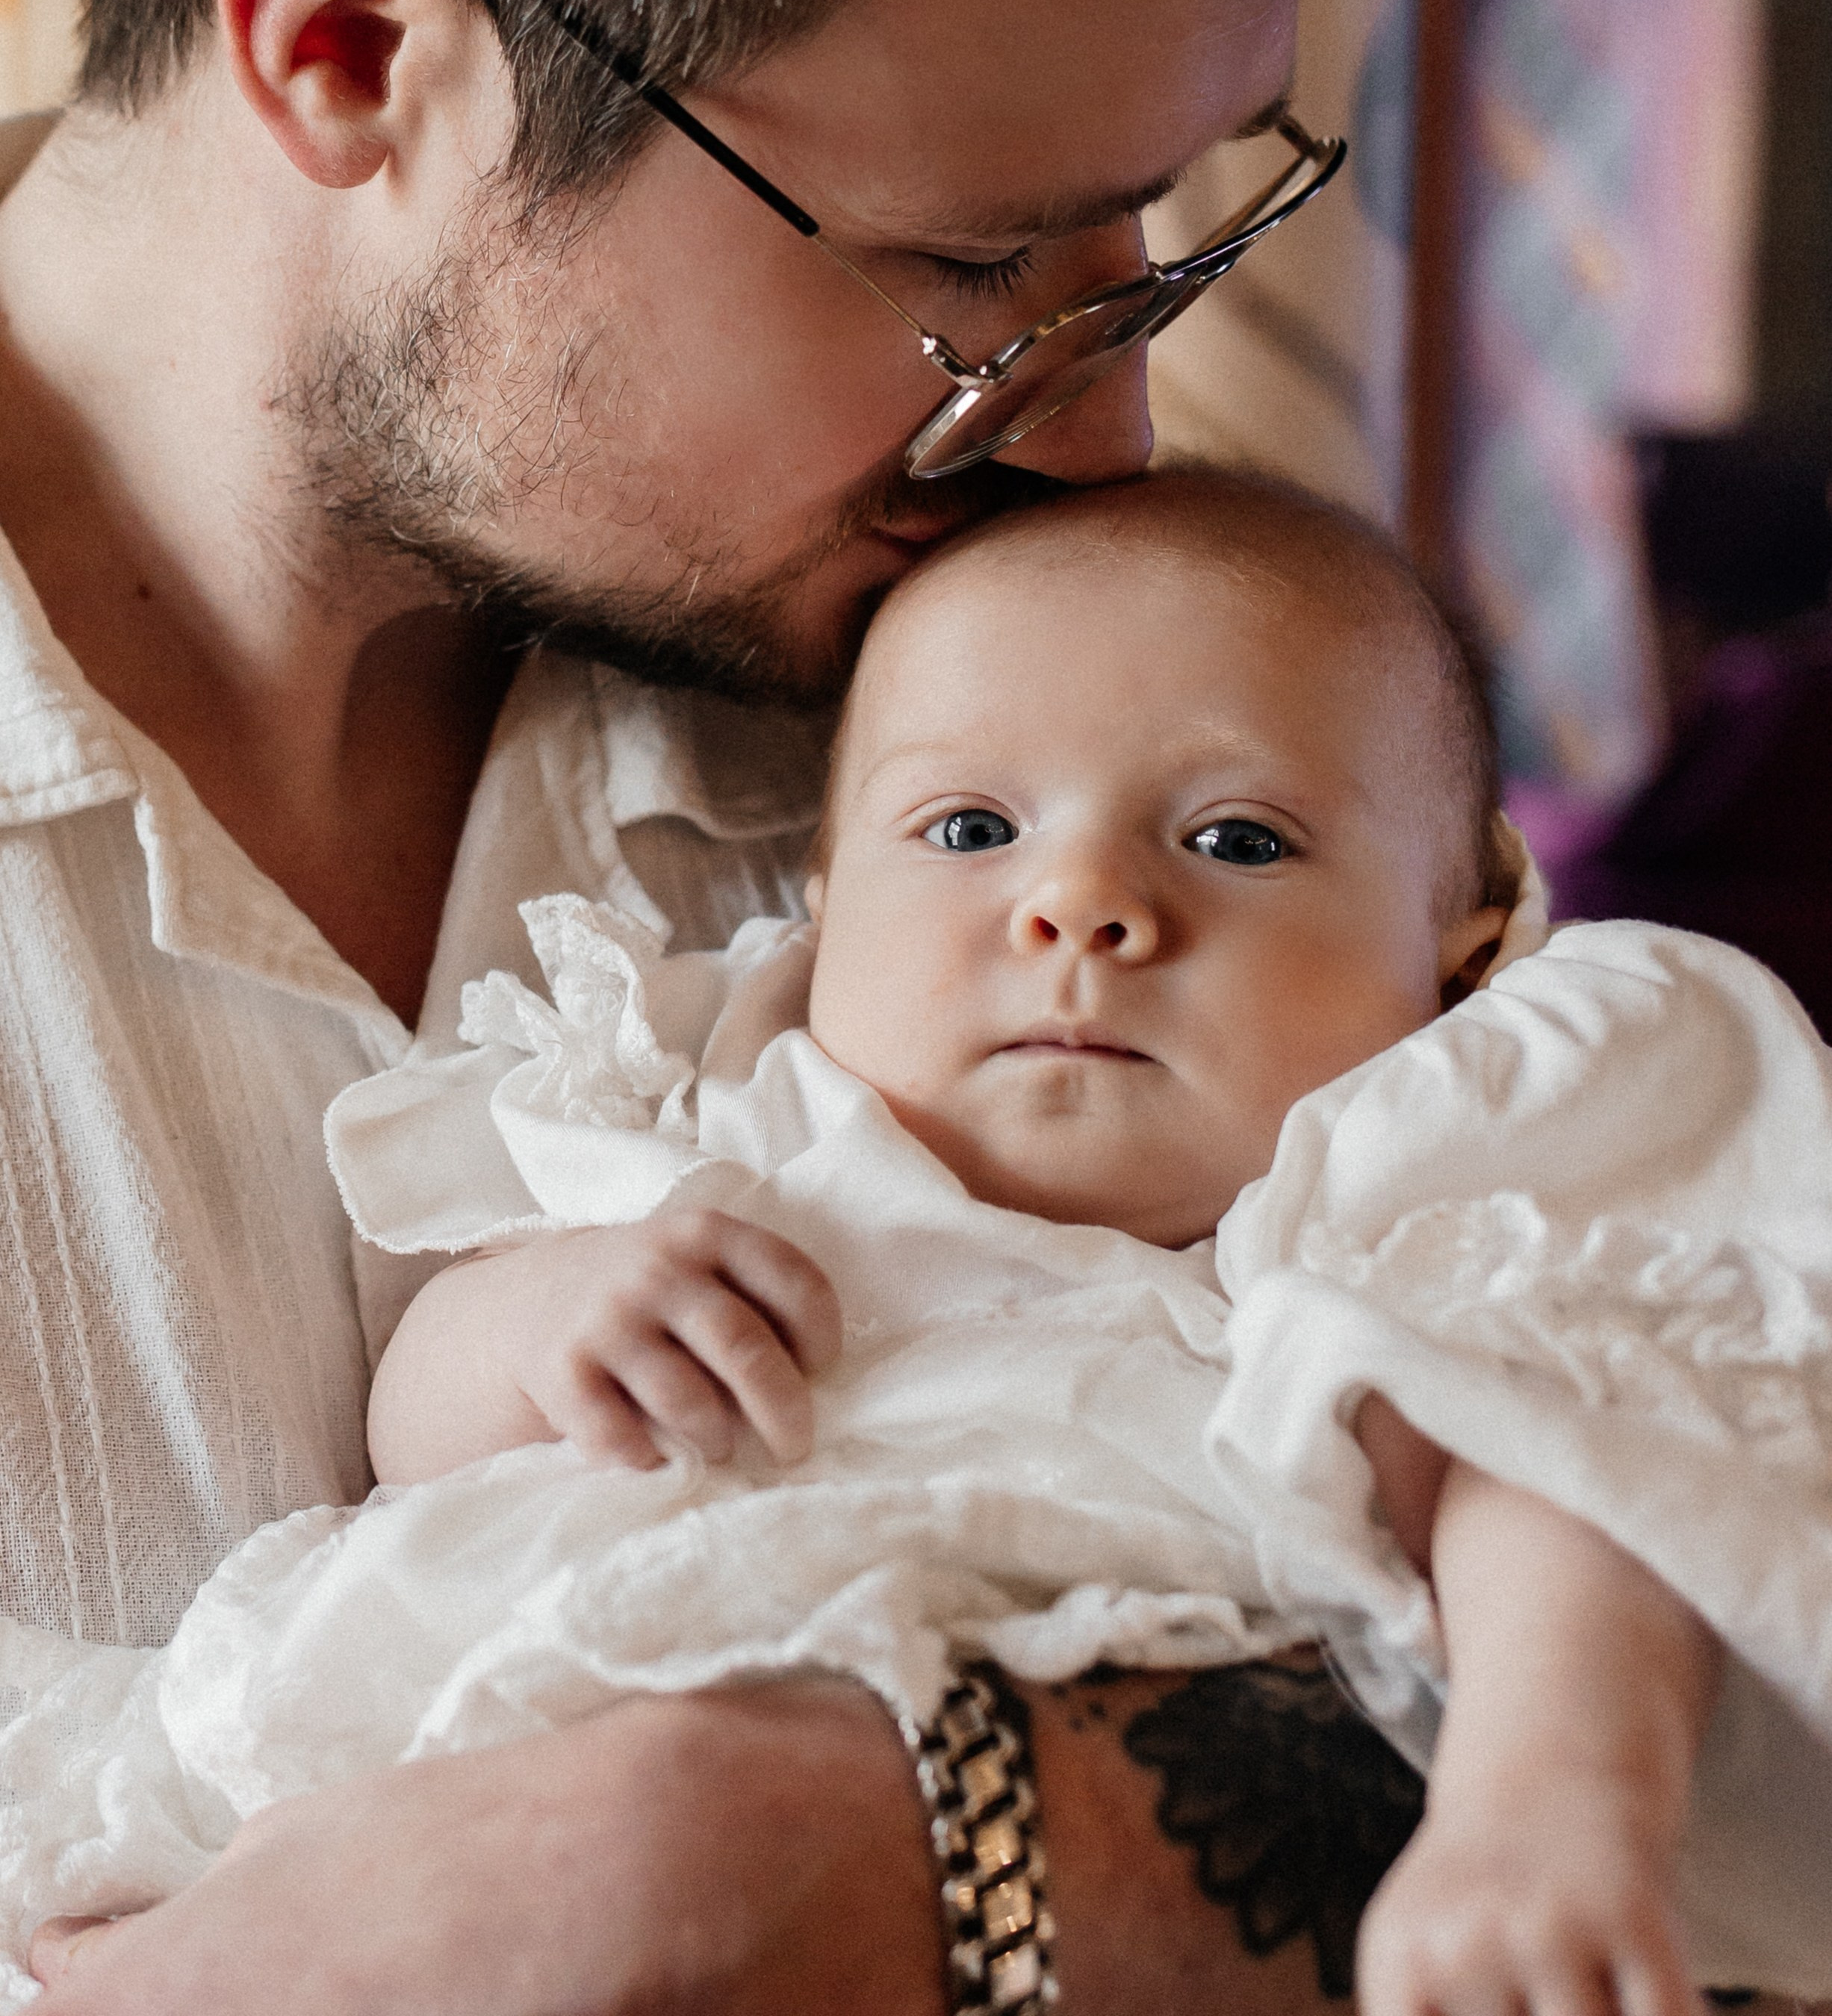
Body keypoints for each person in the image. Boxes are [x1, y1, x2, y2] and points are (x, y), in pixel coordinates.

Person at [0, 0, 1537, 2006]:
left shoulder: (1107, 730)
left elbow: (1684, 1548)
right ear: (354, 43)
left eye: (1170, 226)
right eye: (974, 264)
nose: (1102, 449)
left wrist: (821, 1866)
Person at [7, 471, 1831, 2016]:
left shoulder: (1385, 1212)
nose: (1084, 906)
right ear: (826, 894)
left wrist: (1542, 1803)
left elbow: (1576, 1467)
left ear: (1463, 939)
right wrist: (556, 1316)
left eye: (1238, 837)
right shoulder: (717, 1117)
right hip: (383, 1846)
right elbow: (417, 1441)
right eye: (969, 828)